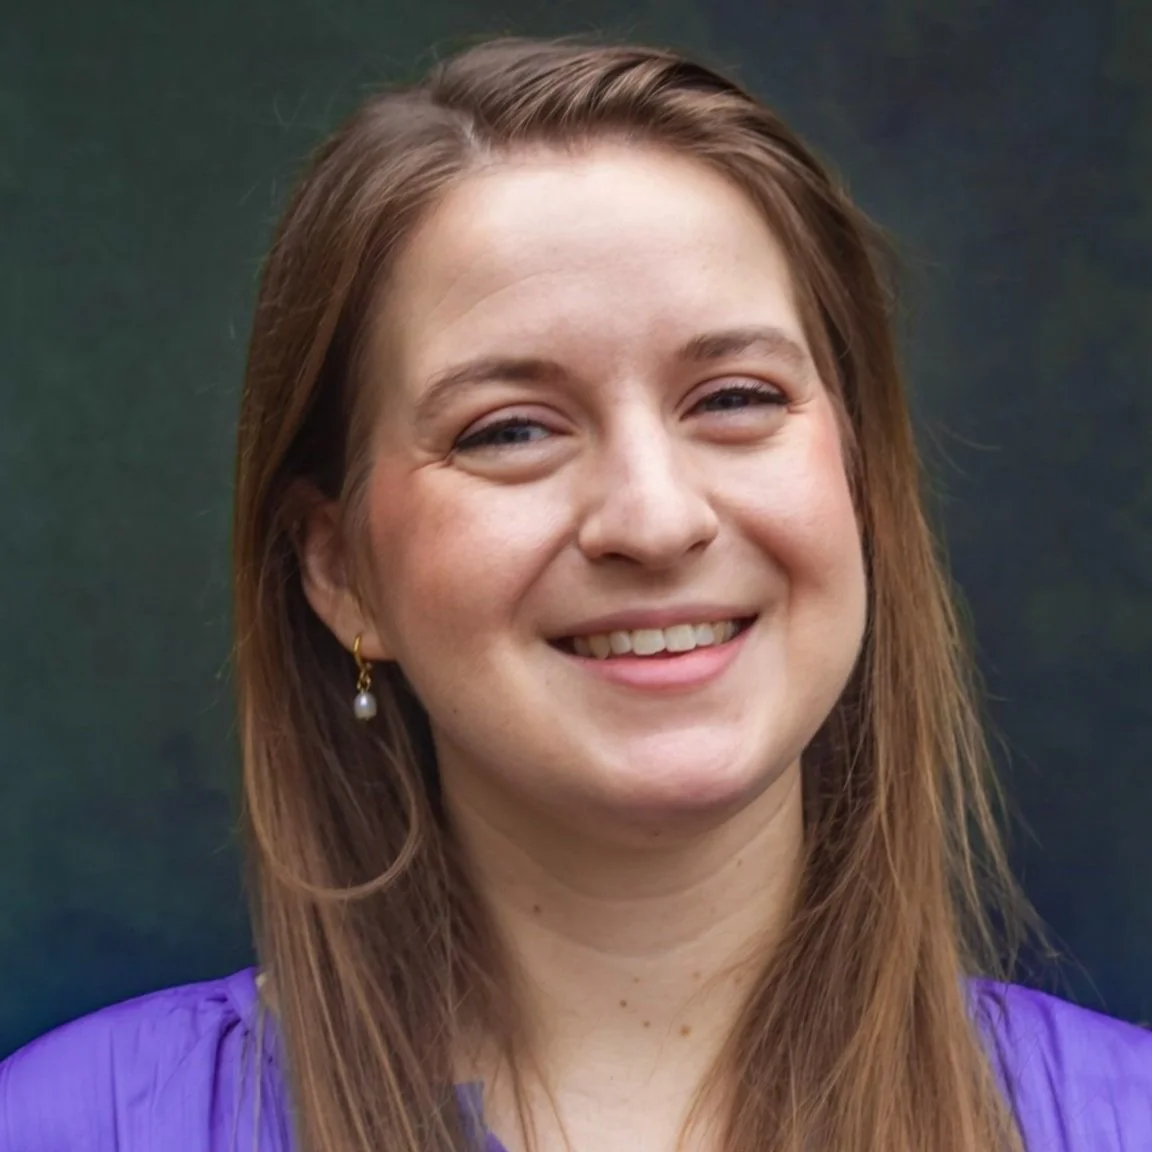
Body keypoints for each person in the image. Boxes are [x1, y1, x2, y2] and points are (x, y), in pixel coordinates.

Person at [1, 35, 1149, 1152]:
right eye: (510, 429)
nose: (654, 520)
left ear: (858, 481)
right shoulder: (72, 1128)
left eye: (736, 397)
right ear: (341, 572)